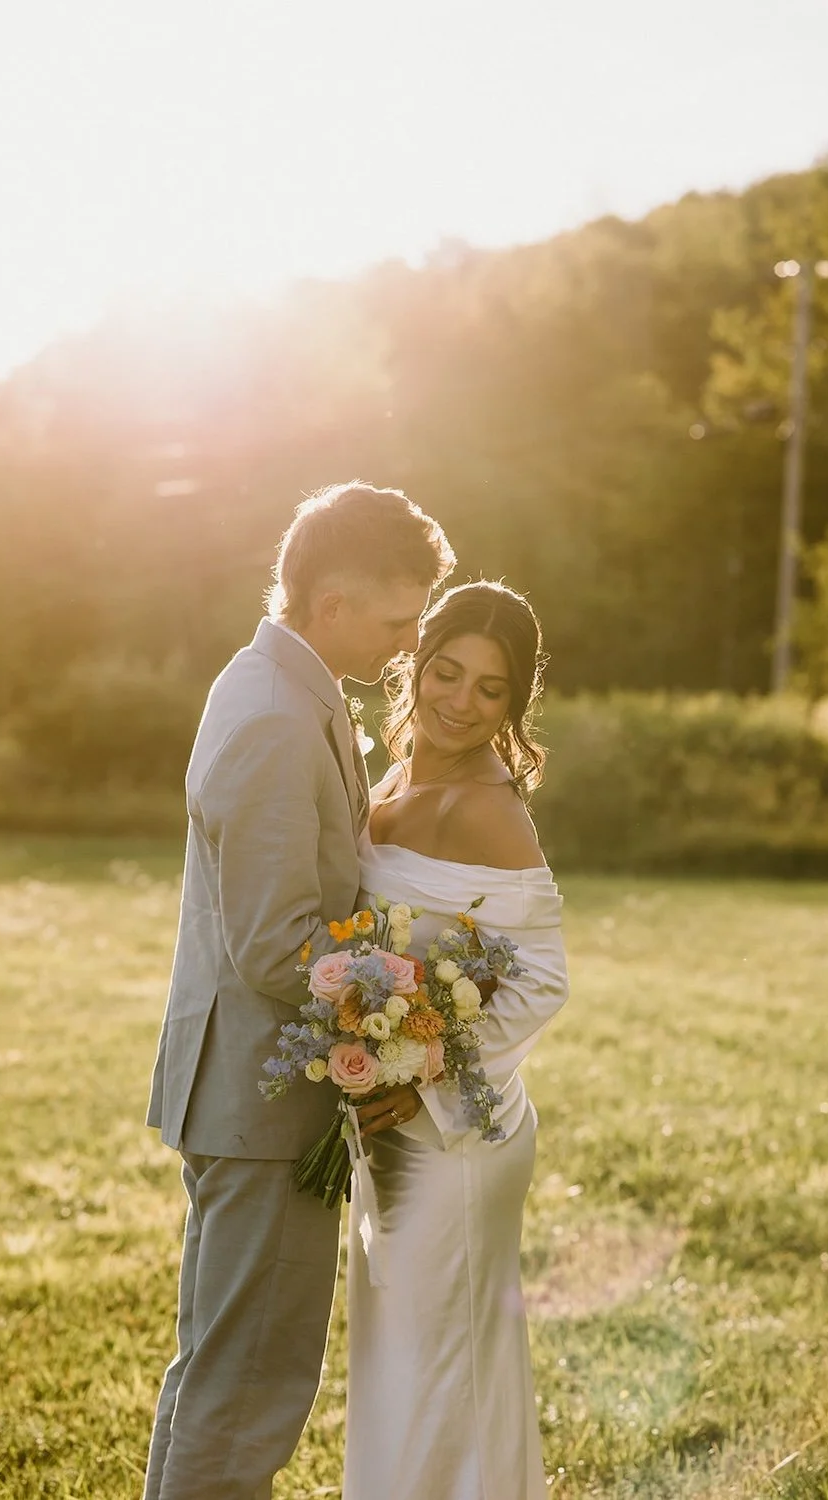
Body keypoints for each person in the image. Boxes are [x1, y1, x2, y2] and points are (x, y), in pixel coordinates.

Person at [142, 482, 455, 1500]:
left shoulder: (281, 686)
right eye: (397, 618)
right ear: (330, 607)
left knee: (225, 1376)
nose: (409, 643)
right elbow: (276, 945)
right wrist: (411, 1010)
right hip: (261, 1108)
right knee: (245, 1393)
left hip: (250, 1097)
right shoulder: (278, 716)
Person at [344, 580, 570, 1500]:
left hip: (457, 1143)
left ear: (515, 704)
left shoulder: (489, 808)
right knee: (401, 1377)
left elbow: (545, 979)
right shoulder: (398, 775)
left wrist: (425, 1067)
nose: (462, 702)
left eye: (492, 690)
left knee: (445, 1387)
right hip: (390, 1138)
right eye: (448, 673)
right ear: (416, 664)